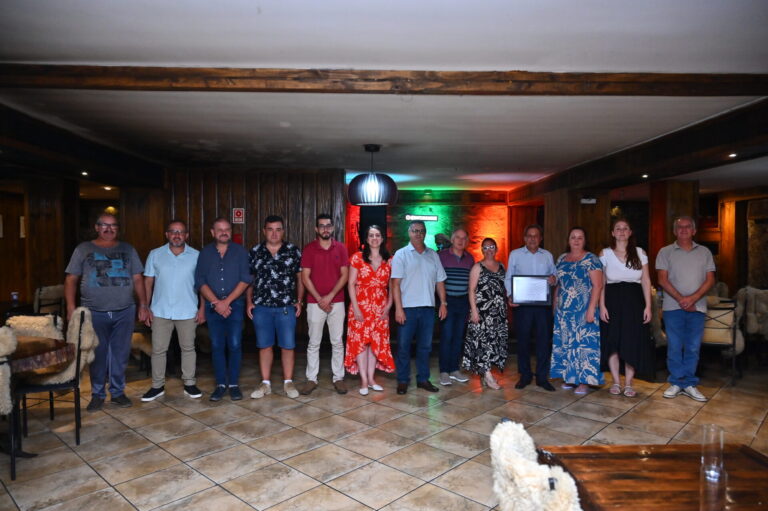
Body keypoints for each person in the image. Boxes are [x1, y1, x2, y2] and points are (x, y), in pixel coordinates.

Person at [64, 213, 149, 411]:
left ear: (118, 228)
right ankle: (98, 394)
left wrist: (143, 304)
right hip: (94, 311)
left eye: (113, 226)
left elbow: (138, 279)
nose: (109, 229)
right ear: (96, 227)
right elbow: (71, 279)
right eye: (104, 225)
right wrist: (70, 308)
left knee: (121, 354)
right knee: (98, 354)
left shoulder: (128, 249)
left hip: (125, 310)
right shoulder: (83, 249)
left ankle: (118, 392)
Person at [141, 220, 205, 402]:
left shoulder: (196, 255)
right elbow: (148, 282)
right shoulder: (155, 254)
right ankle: (157, 386)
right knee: (158, 350)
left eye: (181, 232)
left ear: (186, 235)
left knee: (188, 348)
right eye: (173, 231)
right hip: (160, 310)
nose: (177, 235)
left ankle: (190, 383)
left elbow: (202, 284)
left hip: (188, 310)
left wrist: (202, 308)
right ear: (167, 234)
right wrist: (145, 306)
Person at [656, 216, 716, 402]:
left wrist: (692, 299)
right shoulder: (665, 252)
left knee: (693, 347)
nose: (683, 229)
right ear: (674, 231)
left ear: (694, 231)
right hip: (672, 307)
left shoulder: (705, 252)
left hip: (697, 307)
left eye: (687, 226)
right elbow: (662, 279)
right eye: (679, 227)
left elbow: (710, 280)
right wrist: (682, 299)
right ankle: (676, 382)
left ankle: (689, 384)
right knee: (674, 346)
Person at [247, 215, 304, 399]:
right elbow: (249, 280)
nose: (274, 233)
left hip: (286, 306)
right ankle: (266, 383)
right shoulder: (255, 251)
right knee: (264, 345)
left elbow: (300, 279)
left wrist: (299, 300)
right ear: (264, 231)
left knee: (288, 345)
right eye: (270, 229)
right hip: (262, 306)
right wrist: (249, 302)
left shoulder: (292, 251)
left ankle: (288, 382)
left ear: (283, 231)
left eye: (278, 229)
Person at [194, 217, 251, 402]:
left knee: (234, 344)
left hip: (235, 305)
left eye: (227, 229)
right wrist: (217, 303)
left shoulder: (240, 252)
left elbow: (245, 279)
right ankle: (220, 384)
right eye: (220, 229)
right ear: (213, 232)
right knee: (217, 345)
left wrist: (226, 302)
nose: (224, 232)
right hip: (213, 307)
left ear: (230, 231)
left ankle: (233, 384)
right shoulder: (205, 253)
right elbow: (200, 281)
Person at [391, 220, 448, 395]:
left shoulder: (433, 255)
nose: (418, 233)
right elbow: (395, 284)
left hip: (428, 309)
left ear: (425, 233)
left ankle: (423, 379)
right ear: (409, 233)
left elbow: (440, 281)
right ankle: (403, 380)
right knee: (403, 347)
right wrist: (398, 308)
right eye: (415, 230)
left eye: (421, 231)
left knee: (425, 347)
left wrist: (443, 303)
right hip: (407, 309)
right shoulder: (401, 254)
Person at [599, 219, 652, 398]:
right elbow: (601, 282)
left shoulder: (640, 252)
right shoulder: (605, 253)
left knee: (632, 341)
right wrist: (602, 305)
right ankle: (615, 381)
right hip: (612, 301)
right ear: (613, 233)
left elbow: (646, 280)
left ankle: (629, 383)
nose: (621, 231)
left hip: (634, 302)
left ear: (630, 232)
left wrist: (648, 306)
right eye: (618, 228)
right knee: (613, 341)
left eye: (625, 228)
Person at [550, 227, 604, 394]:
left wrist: (591, 309)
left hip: (583, 310)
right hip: (564, 311)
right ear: (568, 240)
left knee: (584, 346)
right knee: (567, 344)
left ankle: (584, 382)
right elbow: (559, 284)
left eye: (580, 237)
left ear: (585, 240)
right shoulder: (562, 258)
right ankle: (570, 378)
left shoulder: (592, 259)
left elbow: (598, 285)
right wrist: (555, 304)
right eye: (573, 237)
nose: (576, 240)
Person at [299, 214, 349, 395]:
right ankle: (311, 379)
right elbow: (305, 277)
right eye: (322, 226)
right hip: (314, 302)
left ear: (333, 228)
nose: (325, 229)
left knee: (337, 342)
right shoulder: (309, 249)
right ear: (316, 229)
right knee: (314, 343)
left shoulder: (341, 248)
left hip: (337, 301)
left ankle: (339, 378)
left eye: (328, 225)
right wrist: (320, 299)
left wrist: (329, 297)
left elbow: (345, 275)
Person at [505, 224, 557, 391]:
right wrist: (510, 295)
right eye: (529, 235)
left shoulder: (547, 255)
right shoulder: (515, 254)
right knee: (523, 341)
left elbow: (554, 276)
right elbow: (508, 278)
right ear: (524, 238)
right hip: (522, 306)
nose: (532, 239)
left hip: (543, 306)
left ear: (540, 238)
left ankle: (542, 377)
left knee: (543, 341)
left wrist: (553, 279)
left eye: (536, 236)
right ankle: (525, 375)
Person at [345, 225, 395, 395]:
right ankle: (364, 381)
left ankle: (372, 379)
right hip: (360, 307)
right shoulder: (357, 258)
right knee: (361, 343)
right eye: (371, 235)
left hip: (381, 308)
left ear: (382, 239)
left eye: (378, 235)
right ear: (366, 239)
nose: (374, 238)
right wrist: (356, 308)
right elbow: (351, 284)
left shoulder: (389, 260)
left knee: (375, 343)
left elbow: (393, 286)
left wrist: (388, 306)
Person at [463, 238, 508, 389]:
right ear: (482, 250)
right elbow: (471, 290)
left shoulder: (502, 266)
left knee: (494, 343)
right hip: (482, 312)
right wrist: (474, 311)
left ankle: (486, 374)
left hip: (498, 313)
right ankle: (488, 376)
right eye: (486, 247)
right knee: (483, 344)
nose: (489, 250)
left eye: (492, 247)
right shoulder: (477, 267)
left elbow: (503, 288)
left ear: (496, 249)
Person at [437, 228, 474, 386]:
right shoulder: (442, 256)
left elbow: (471, 284)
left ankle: (454, 369)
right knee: (446, 336)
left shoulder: (470, 258)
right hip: (447, 301)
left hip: (463, 302)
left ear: (467, 241)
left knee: (459, 337)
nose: (461, 241)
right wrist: (442, 303)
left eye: (464, 238)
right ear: (452, 240)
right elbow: (438, 281)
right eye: (458, 237)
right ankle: (444, 371)